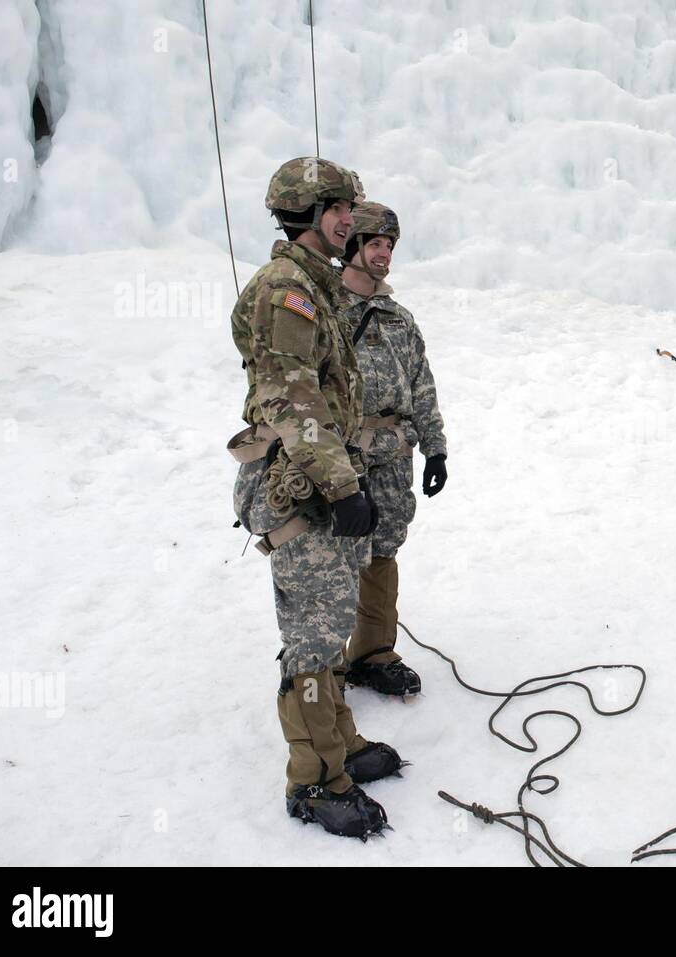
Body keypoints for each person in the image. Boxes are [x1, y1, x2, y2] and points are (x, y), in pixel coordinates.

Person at [228, 158, 400, 840]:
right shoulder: (287, 290)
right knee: (309, 642)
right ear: (307, 211)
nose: (348, 221)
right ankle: (313, 781)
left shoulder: (312, 284)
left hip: (317, 477)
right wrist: (341, 484)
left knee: (327, 629)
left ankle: (340, 745)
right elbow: (290, 396)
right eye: (337, 209)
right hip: (300, 487)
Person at [336, 201, 448, 697]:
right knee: (336, 552)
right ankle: (321, 664)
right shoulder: (326, 312)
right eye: (375, 243)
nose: (384, 254)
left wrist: (436, 449)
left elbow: (422, 386)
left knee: (384, 546)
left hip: (393, 454)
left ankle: (372, 652)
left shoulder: (399, 319)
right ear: (352, 246)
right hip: (341, 455)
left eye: (389, 245)